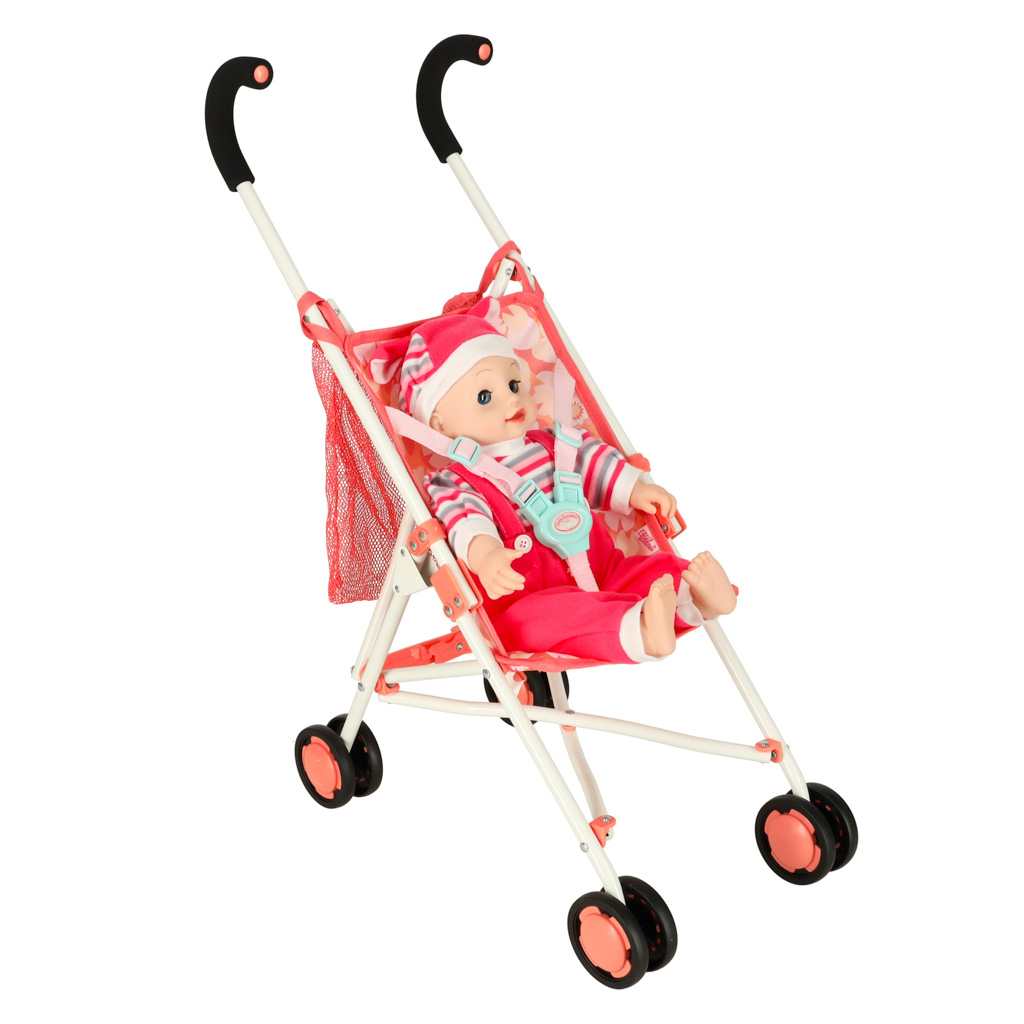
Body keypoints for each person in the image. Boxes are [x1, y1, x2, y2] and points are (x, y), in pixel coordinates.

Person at [370, 297, 736, 663]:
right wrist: (487, 556)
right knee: (556, 619)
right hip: (526, 601)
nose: (511, 401)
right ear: (439, 424)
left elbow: (593, 464)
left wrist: (634, 489)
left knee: (651, 572)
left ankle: (696, 598)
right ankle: (643, 632)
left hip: (603, 569)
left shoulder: (554, 445)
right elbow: (466, 521)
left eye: (514, 385)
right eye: (485, 397)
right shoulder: (454, 483)